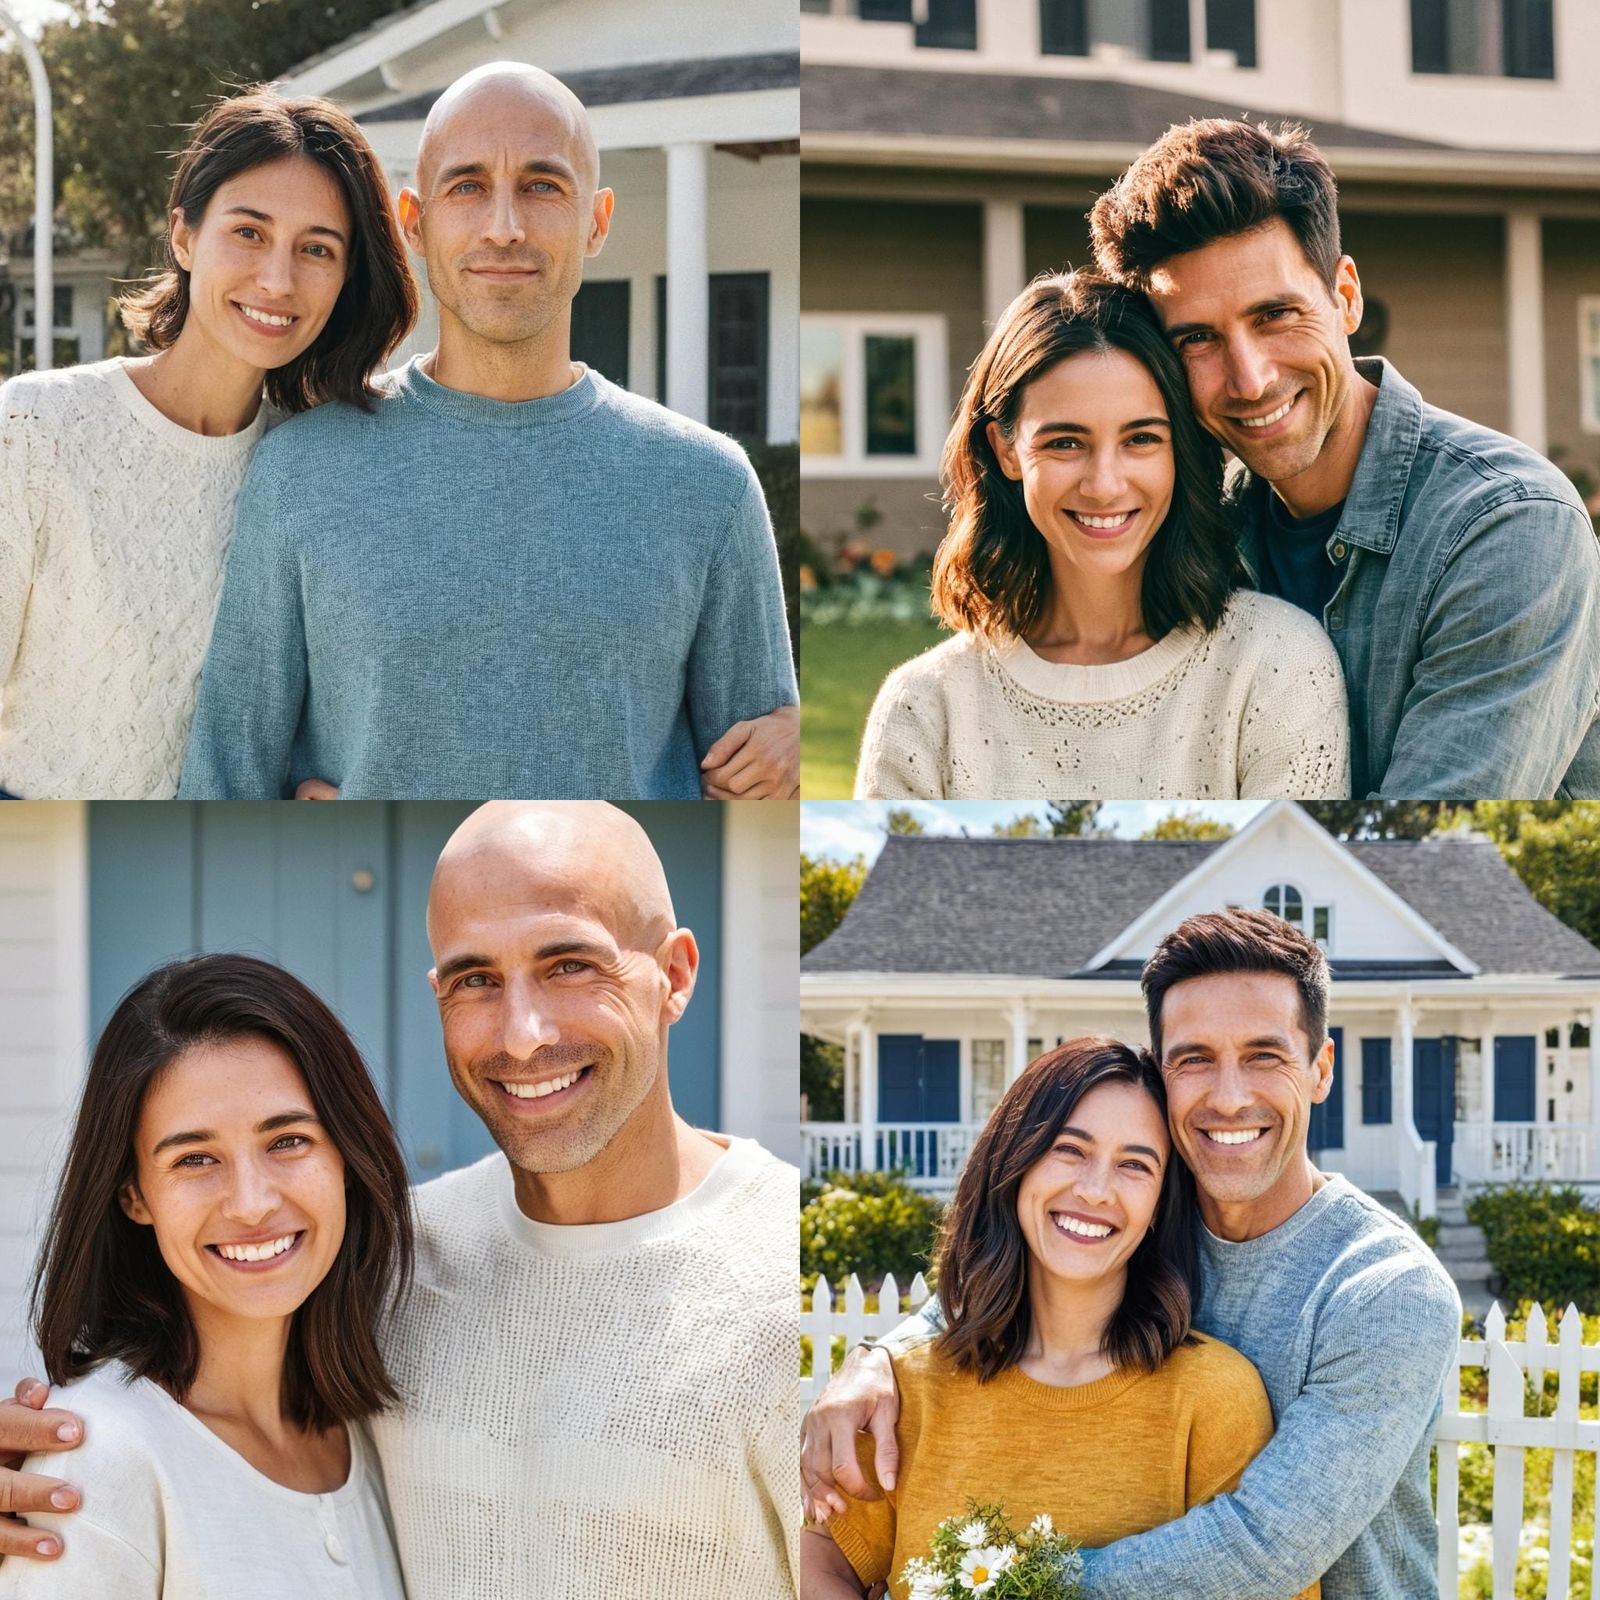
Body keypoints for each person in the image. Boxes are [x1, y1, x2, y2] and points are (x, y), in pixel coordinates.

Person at [0, 802, 798, 1598]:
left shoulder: (782, 1277)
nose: (522, 1035)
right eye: (476, 979)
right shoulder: (400, 1270)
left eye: (570, 966)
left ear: (677, 975)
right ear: (132, 1193)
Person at [177, 62, 799, 802]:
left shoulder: (709, 487)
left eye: (543, 185)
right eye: (468, 186)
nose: (504, 227)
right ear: (415, 221)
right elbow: (224, 783)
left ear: (596, 222)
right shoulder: (300, 472)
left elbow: (762, 801)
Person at [801, 908, 1461, 1600]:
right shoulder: (1142, 1235)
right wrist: (877, 1358)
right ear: (1161, 1075)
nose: (1229, 1097)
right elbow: (1016, 1279)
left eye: (1264, 1056)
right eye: (1194, 1059)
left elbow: (1263, 1549)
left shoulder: (1386, 1292)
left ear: (1321, 1069)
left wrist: (988, 1587)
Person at [1087, 117, 1600, 799]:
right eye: (1198, 339)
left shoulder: (1509, 525)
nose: (1251, 379)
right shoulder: (1195, 527)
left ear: (1346, 296)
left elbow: (1432, 856)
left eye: (1275, 315)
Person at [0, 91, 416, 800]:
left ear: (346, 279)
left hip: (228, 885)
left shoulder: (318, 466)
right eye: (249, 232)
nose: (278, 280)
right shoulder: (34, 430)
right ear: (185, 236)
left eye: (317, 249)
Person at [801, 1037, 1318, 1600]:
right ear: (1015, 1162)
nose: (1096, 1190)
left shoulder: (1214, 1398)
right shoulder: (904, 1393)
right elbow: (822, 1554)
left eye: (1134, 1165)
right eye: (1069, 1150)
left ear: (1157, 1209)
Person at [0, 954, 414, 1597]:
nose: (251, 1202)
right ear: (134, 1195)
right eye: (195, 1159)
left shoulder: (379, 1435)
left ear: (347, 1157)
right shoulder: (100, 1455)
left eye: (288, 1141)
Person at [854, 271, 1349, 800]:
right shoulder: (924, 710)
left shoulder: (1276, 667)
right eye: (1066, 443)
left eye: (1141, 439)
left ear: (1178, 449)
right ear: (1005, 450)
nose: (1105, 485)